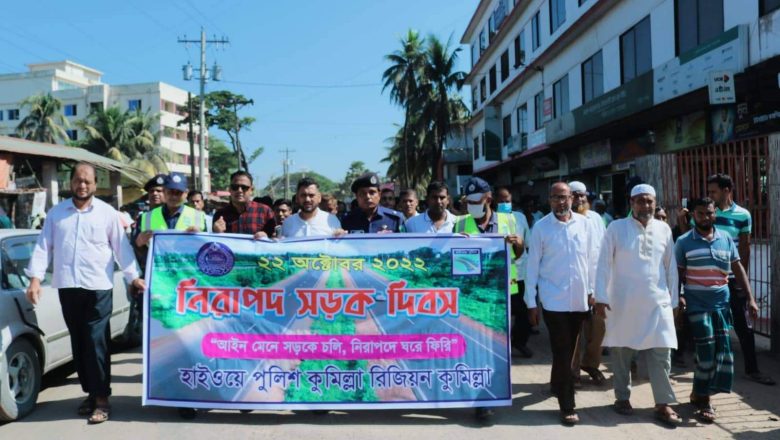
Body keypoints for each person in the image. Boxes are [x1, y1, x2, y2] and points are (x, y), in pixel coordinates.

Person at [25, 162, 145, 424]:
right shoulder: (57, 214)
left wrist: (133, 277)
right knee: (79, 343)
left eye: (87, 181)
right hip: (68, 286)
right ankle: (91, 394)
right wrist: (35, 279)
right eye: (78, 180)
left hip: (98, 287)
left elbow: (121, 248)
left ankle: (102, 398)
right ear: (71, 183)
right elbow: (43, 247)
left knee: (95, 341)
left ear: (95, 183)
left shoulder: (107, 213)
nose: (82, 185)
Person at [594, 184, 682, 426]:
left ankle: (663, 404)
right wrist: (600, 297)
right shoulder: (616, 228)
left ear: (655, 202)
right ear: (631, 202)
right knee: (622, 352)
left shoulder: (664, 229)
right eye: (641, 201)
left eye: (650, 201)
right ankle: (622, 397)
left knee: (662, 352)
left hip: (657, 302)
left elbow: (670, 267)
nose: (646, 206)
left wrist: (673, 300)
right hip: (622, 302)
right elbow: (602, 264)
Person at [678, 174, 774, 386]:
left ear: (726, 190)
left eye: (713, 191)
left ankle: (752, 369)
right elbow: (691, 241)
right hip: (703, 279)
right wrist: (682, 222)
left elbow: (744, 248)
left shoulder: (743, 215)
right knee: (693, 320)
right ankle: (680, 357)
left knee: (742, 325)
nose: (709, 195)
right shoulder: (705, 212)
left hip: (729, 279)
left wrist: (742, 281)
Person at [675, 197, 758, 423]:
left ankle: (698, 393)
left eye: (709, 213)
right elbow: (677, 275)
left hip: (722, 303)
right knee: (707, 350)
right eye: (700, 214)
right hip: (696, 304)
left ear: (715, 214)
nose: (706, 217)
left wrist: (750, 298)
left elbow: (737, 268)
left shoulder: (725, 239)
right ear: (693, 215)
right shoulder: (683, 242)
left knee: (722, 353)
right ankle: (705, 401)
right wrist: (679, 299)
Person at [525, 182, 598, 425]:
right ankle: (567, 405)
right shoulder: (541, 228)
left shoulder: (584, 224)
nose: (561, 202)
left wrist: (592, 291)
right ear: (549, 199)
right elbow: (532, 266)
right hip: (553, 301)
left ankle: (557, 385)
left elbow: (591, 261)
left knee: (566, 350)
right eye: (556, 197)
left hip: (579, 301)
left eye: (565, 197)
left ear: (573, 199)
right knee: (563, 350)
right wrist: (530, 302)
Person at [453, 177, 524, 423]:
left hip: (503, 295)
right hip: (473, 297)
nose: (473, 205)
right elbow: (451, 259)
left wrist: (518, 244)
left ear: (488, 199)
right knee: (475, 347)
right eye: (469, 201)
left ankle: (494, 392)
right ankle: (481, 401)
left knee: (499, 349)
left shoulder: (508, 220)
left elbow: (518, 254)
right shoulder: (460, 223)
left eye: (477, 201)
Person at [568, 181, 607, 387]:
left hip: (597, 284)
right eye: (575, 195)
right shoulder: (563, 221)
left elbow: (602, 251)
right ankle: (572, 373)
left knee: (599, 329)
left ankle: (591, 364)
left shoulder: (596, 219)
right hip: (574, 286)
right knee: (575, 332)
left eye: (582, 195)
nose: (580, 199)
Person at [495, 186, 533, 359]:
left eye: (507, 201)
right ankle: (499, 346)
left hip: (519, 273)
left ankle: (519, 342)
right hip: (499, 275)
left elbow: (528, 244)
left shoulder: (520, 217)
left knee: (523, 311)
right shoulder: (491, 220)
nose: (504, 204)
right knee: (502, 312)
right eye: (501, 201)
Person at [213, 171, 276, 239]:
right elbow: (215, 245)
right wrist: (216, 233)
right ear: (230, 189)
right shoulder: (220, 215)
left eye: (244, 187)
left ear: (251, 190)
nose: (239, 190)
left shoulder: (265, 211)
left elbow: (276, 239)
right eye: (235, 187)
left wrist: (266, 236)